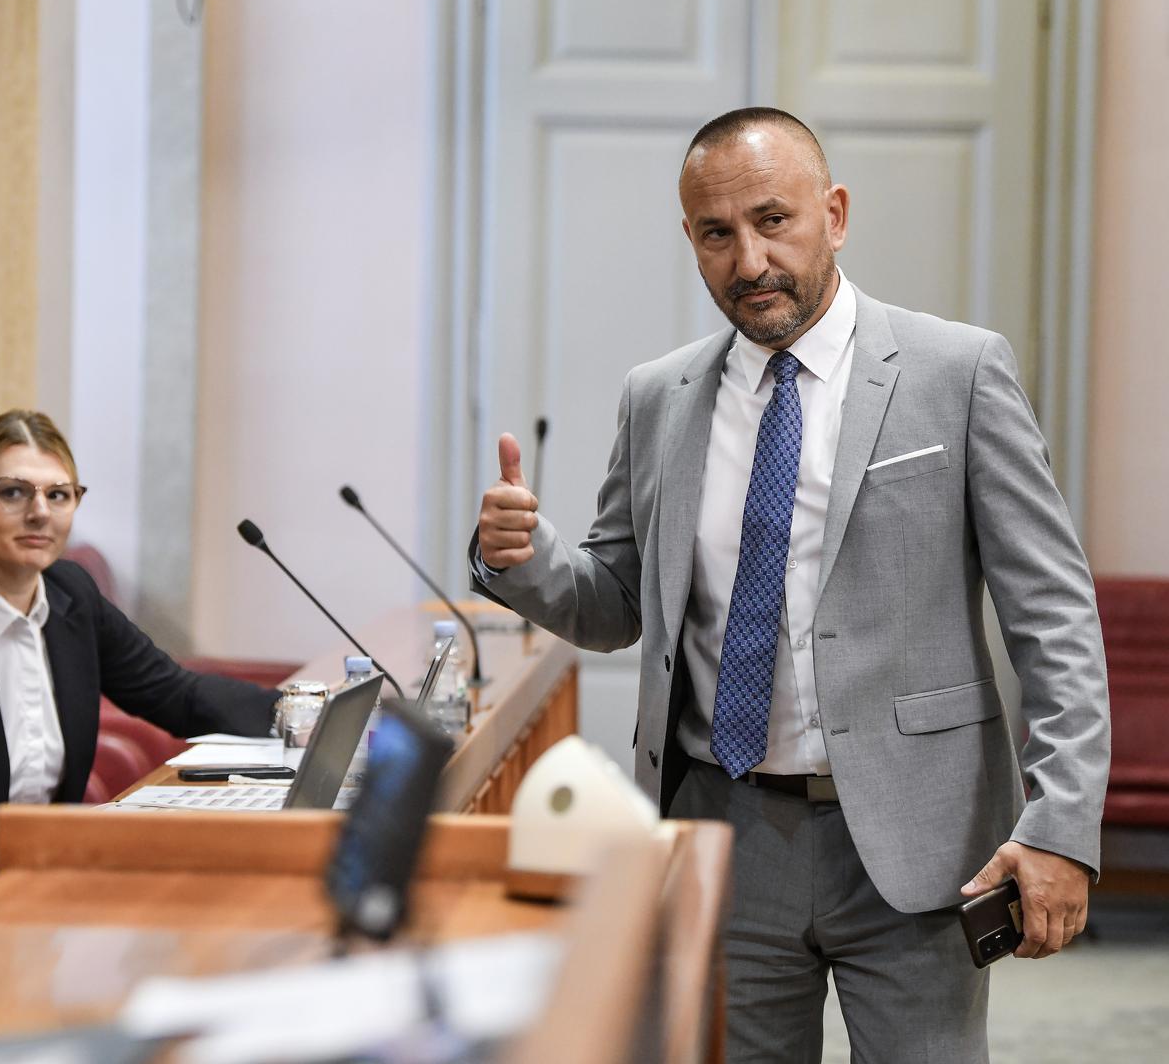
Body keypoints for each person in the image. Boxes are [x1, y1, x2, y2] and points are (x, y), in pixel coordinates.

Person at [471, 108, 1110, 1062]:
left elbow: (1053, 616)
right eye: (718, 234)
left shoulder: (957, 373)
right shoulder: (660, 397)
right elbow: (616, 605)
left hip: (916, 840)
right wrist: (522, 560)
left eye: (773, 220)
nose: (750, 260)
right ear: (690, 240)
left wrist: (1060, 822)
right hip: (721, 831)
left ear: (834, 213)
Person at [0, 410, 281, 877]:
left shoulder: (72, 595)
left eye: (58, 495)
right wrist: (40, 857)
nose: (40, 512)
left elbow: (176, 694)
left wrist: (301, 715)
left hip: (53, 880)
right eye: (13, 492)